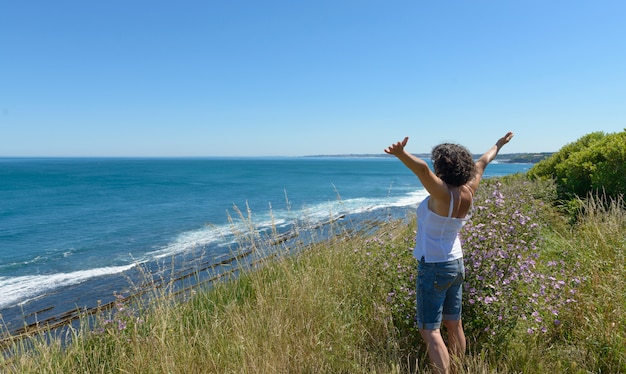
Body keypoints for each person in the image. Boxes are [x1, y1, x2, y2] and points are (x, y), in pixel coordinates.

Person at [384, 132, 514, 374]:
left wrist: (401, 154)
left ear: (441, 167)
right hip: (456, 264)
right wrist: (500, 144)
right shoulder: (469, 190)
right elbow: (484, 161)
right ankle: (458, 369)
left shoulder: (442, 194)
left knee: (430, 330)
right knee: (454, 325)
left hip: (434, 266)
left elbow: (422, 170)